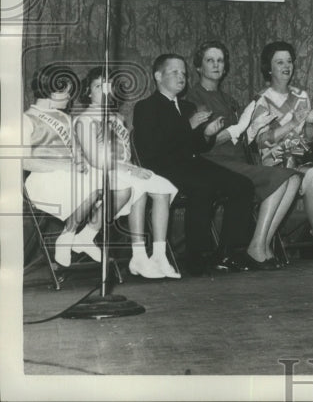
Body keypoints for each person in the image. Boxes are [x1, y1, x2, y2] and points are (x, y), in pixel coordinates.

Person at [132, 53, 256, 276]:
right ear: (158, 76)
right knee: (203, 186)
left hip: (191, 164)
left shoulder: (189, 106)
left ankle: (227, 252)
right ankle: (197, 256)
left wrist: (207, 134)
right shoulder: (146, 107)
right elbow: (151, 149)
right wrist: (187, 125)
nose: (182, 77)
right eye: (175, 72)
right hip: (163, 168)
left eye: (184, 73)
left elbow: (198, 147)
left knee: (242, 185)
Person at [186, 40, 301, 269]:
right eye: (210, 60)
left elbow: (242, 140)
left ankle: (263, 244)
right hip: (214, 163)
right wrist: (237, 129)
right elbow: (203, 142)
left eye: (220, 61)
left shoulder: (228, 99)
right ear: (199, 67)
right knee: (282, 178)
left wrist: (253, 127)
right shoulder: (194, 98)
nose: (216, 65)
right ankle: (256, 248)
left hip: (237, 160)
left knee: (294, 178)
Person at [240, 41, 313, 261]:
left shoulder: (301, 95)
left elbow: (310, 138)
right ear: (269, 68)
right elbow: (262, 141)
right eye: (280, 62)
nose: (286, 66)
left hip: (299, 156)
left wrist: (311, 124)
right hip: (274, 162)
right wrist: (295, 121)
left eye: (289, 62)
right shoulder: (262, 99)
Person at [73, 67, 180, 279]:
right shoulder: (85, 119)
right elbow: (95, 159)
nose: (104, 92)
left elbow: (125, 152)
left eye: (108, 87)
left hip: (123, 169)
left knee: (163, 187)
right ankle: (138, 256)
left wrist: (134, 168)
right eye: (98, 87)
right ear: (88, 92)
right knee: (137, 187)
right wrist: (131, 169)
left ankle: (159, 255)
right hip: (97, 173)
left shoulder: (118, 117)